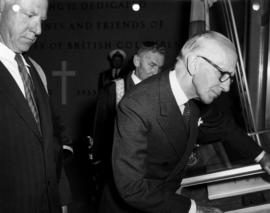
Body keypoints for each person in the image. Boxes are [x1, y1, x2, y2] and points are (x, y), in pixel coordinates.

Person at [112, 31, 270, 213]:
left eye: (231, 78)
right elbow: (133, 189)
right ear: (194, 64)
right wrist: (194, 209)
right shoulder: (136, 106)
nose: (226, 87)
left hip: (166, 198)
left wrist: (263, 157)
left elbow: (225, 128)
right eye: (223, 74)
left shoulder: (197, 98)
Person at [0, 0, 72, 212]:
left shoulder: (35, 69)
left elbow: (51, 140)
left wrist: (62, 197)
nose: (38, 29)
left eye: (41, 20)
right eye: (30, 15)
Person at [92, 42, 165, 212]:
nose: (156, 72)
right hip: (118, 179)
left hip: (152, 181)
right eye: (152, 65)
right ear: (137, 61)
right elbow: (100, 136)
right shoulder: (113, 90)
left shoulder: (163, 91)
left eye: (160, 68)